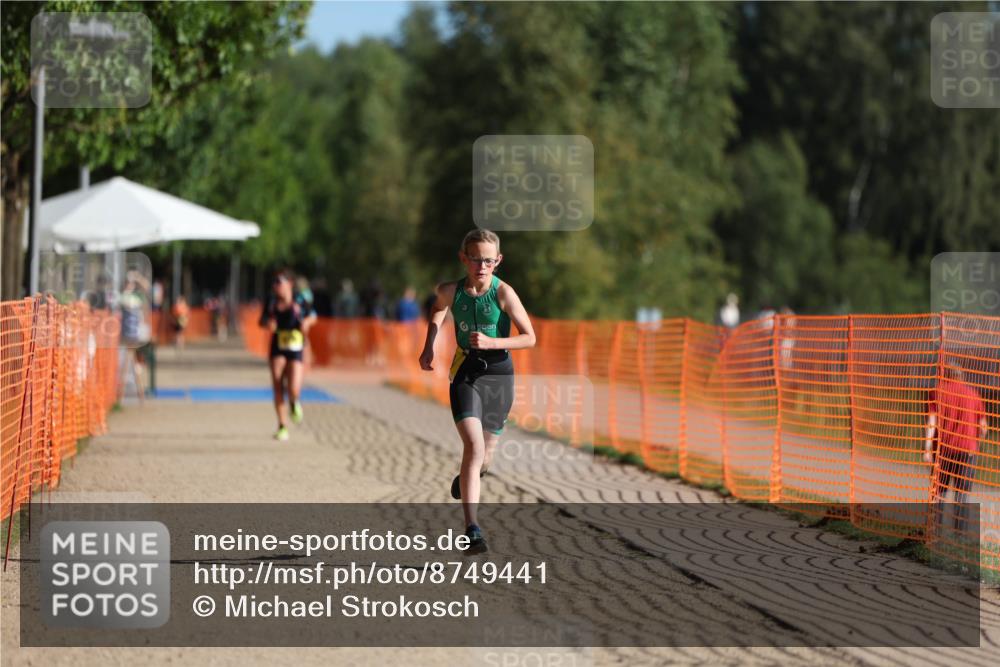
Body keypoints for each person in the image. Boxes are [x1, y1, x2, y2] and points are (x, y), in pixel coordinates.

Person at [419, 229, 536, 554]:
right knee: (472, 446)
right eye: (475, 259)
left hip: (499, 376)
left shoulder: (504, 293)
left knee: (485, 457)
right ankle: (472, 529)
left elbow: (530, 337)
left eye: (488, 260)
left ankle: (469, 476)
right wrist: (429, 345)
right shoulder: (450, 290)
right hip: (466, 373)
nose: (481, 266)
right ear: (464, 259)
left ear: (497, 261)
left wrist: (493, 342)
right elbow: (439, 308)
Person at [924, 364, 988, 533]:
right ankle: (959, 535)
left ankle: (934, 531)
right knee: (962, 495)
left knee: (939, 492)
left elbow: (932, 421)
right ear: (962, 377)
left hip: (943, 451)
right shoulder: (974, 395)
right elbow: (983, 428)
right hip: (968, 451)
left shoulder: (937, 392)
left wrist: (927, 448)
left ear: (946, 376)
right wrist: (976, 444)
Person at [260, 270, 317, 441]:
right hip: (278, 346)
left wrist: (307, 322)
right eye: (275, 282)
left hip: (296, 346)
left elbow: (313, 316)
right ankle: (282, 426)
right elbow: (261, 321)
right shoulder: (271, 302)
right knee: (277, 385)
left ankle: (294, 402)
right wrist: (268, 324)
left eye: (280, 282)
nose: (277, 286)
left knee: (293, 387)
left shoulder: (300, 300)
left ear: (290, 283)